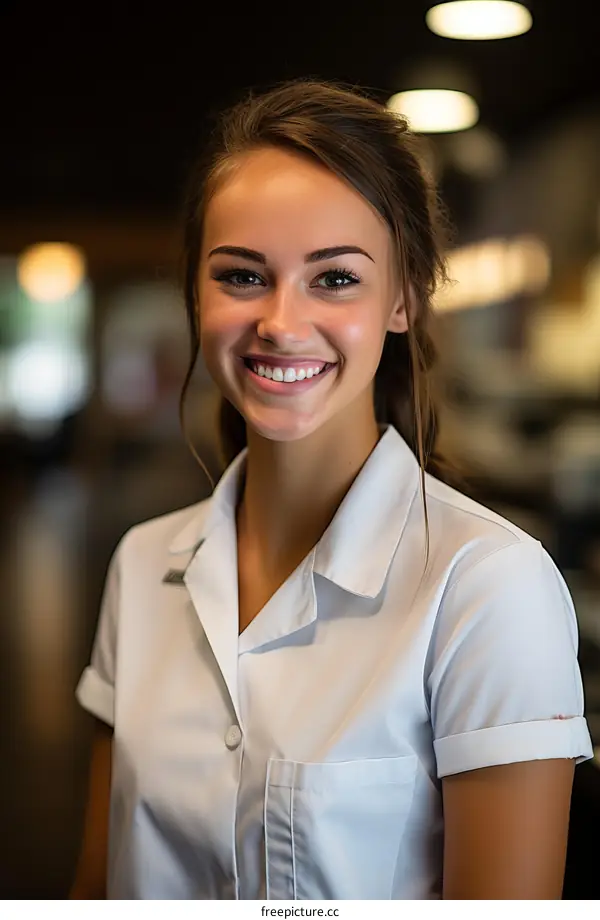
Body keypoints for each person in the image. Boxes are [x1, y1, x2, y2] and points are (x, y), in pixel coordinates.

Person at [69, 80, 594, 900]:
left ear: (403, 299)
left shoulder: (489, 587)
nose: (280, 321)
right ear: (195, 296)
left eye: (336, 279)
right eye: (241, 276)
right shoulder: (141, 567)